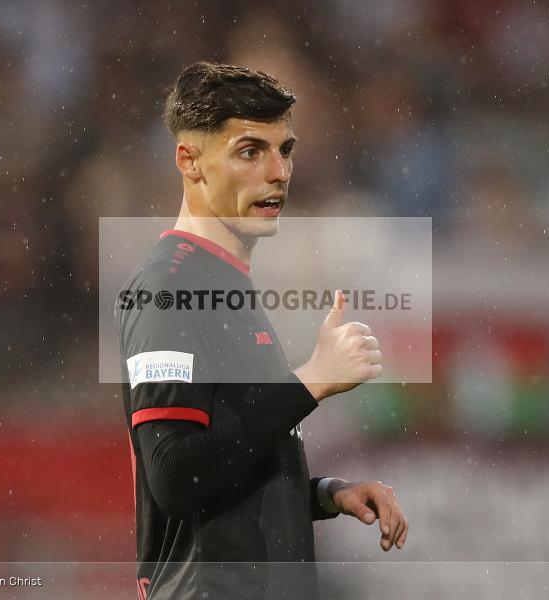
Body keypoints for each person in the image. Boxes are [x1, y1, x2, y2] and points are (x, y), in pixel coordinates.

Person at [116, 62, 408, 600]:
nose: (279, 172)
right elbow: (175, 475)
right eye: (251, 151)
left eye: (286, 150)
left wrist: (323, 495)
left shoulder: (227, 286)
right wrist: (310, 383)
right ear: (191, 161)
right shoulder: (167, 287)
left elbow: (229, 467)